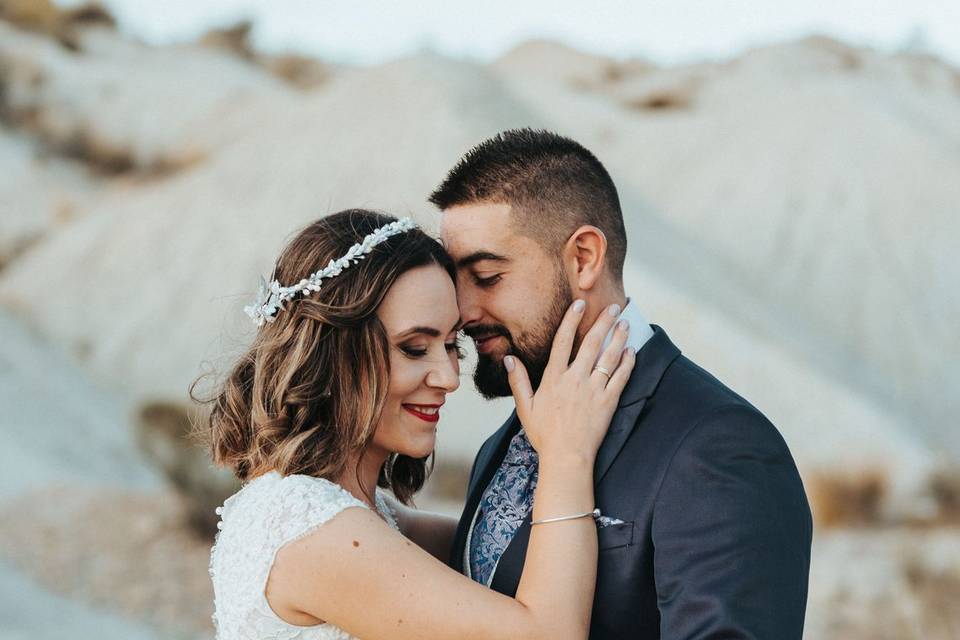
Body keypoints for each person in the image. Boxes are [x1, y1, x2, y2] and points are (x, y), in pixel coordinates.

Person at [428, 129, 813, 639]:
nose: (466, 311)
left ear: (584, 257)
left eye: (488, 276)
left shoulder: (718, 445)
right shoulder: (502, 443)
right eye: (457, 280)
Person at [200, 208, 636, 640]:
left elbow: (497, 547)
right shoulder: (309, 530)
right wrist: (566, 457)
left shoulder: (364, 517)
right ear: (331, 357)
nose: (447, 378)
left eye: (451, 345)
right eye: (413, 348)